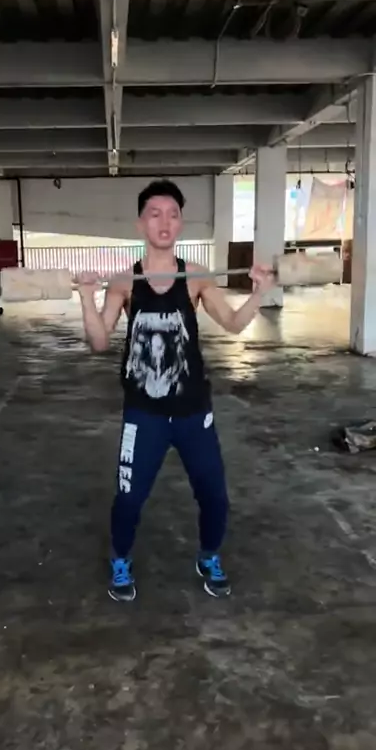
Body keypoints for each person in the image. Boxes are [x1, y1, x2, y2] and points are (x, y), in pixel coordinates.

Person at [77, 180, 274, 602]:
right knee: (128, 499)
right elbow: (99, 341)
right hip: (143, 413)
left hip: (192, 411)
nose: (164, 221)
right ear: (140, 223)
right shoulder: (124, 281)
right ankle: (121, 560)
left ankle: (209, 556)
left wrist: (260, 292)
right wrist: (87, 299)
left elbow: (233, 324)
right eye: (155, 213)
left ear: (181, 222)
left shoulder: (196, 277)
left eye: (172, 214)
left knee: (215, 498)